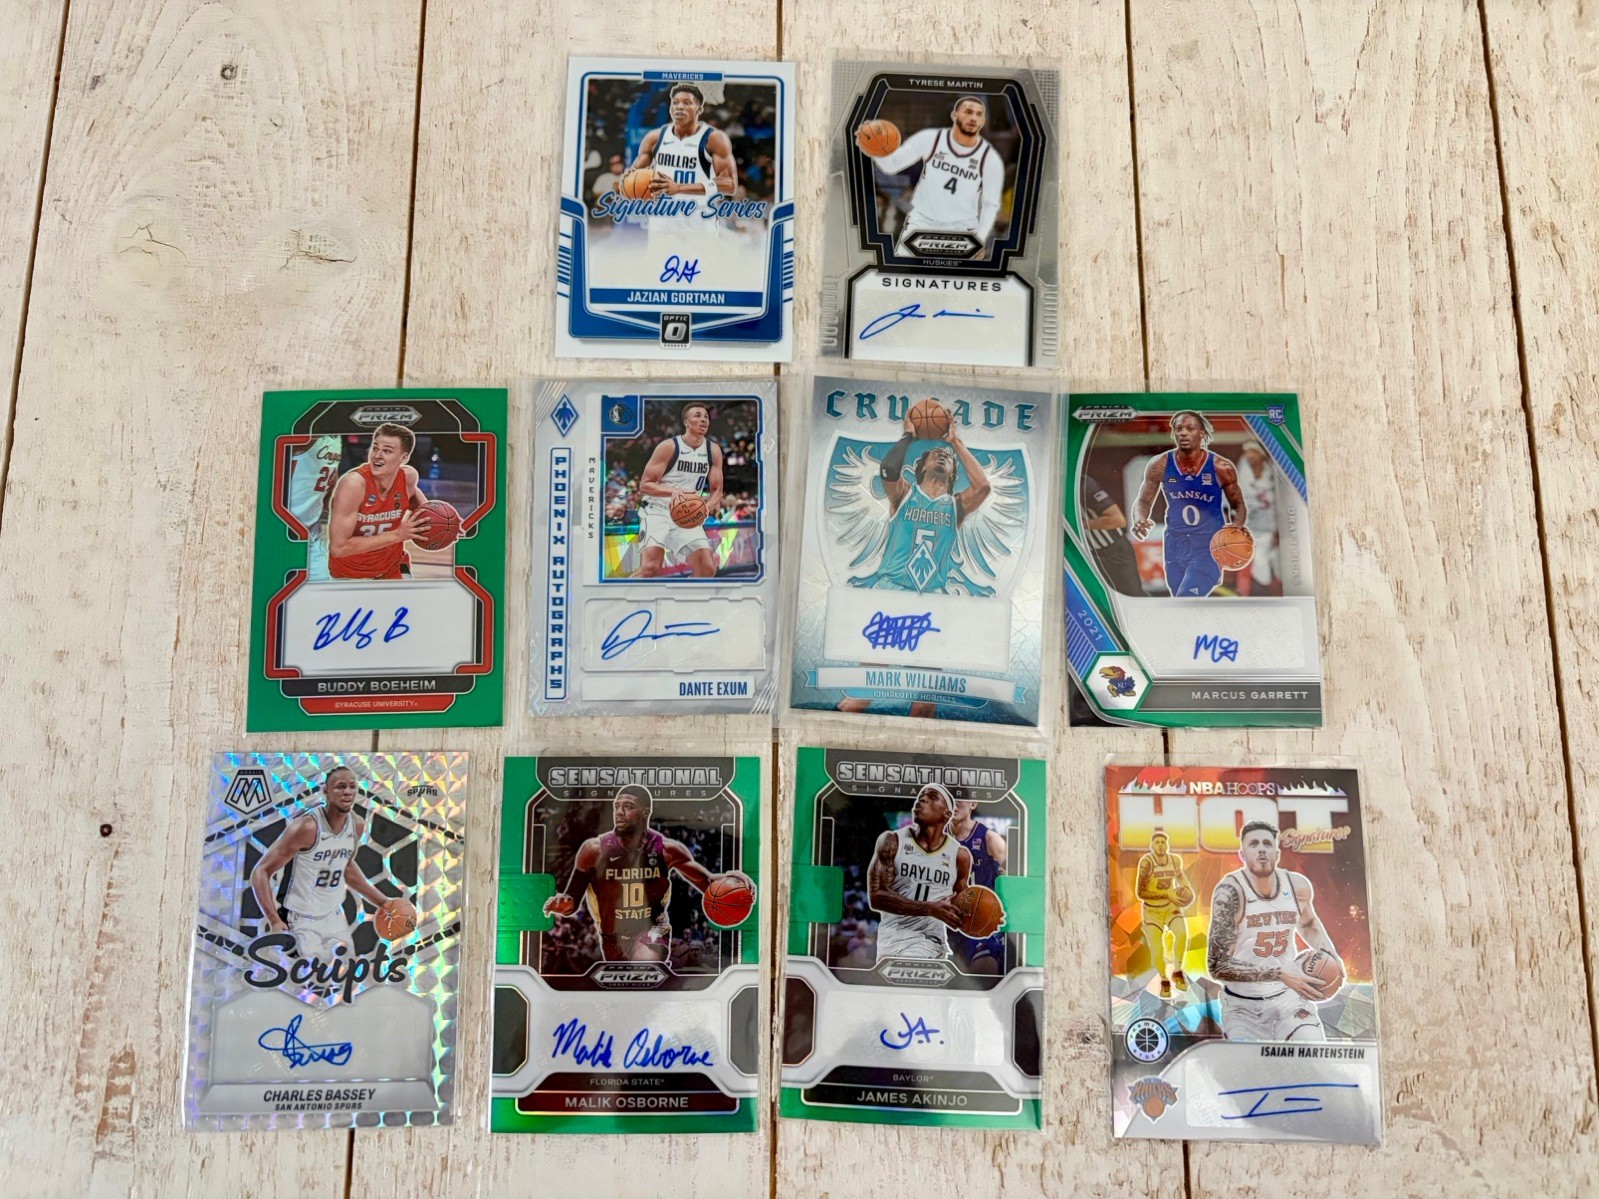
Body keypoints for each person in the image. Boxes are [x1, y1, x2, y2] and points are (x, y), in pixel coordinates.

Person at [542, 785, 748, 962]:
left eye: (628, 807)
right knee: (627, 987)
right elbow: (572, 899)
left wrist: (734, 882)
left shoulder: (667, 850)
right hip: (611, 937)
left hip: (652, 932)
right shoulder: (593, 850)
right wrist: (562, 904)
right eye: (616, 806)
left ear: (645, 812)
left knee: (645, 962)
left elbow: (708, 883)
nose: (619, 812)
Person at [248, 766, 398, 963]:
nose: (347, 792)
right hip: (301, 919)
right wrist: (274, 919)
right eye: (340, 787)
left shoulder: (357, 825)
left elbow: (345, 867)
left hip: (334, 915)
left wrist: (383, 902)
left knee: (345, 973)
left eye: (352, 786)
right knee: (311, 976)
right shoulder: (307, 827)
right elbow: (261, 871)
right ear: (325, 791)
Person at [1206, 821, 1339, 1041]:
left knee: (1313, 1049)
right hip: (1243, 1008)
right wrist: (1280, 973)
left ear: (1277, 853)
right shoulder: (1230, 893)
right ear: (1242, 854)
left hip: (1288, 999)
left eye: (1267, 844)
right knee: (1251, 1062)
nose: (1261, 849)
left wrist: (1329, 952)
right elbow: (1217, 966)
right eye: (1254, 844)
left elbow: (1308, 923)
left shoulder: (1297, 887)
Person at [856, 95, 1005, 256]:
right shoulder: (929, 139)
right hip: (922, 223)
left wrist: (980, 239)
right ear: (955, 115)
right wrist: (870, 146)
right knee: (901, 269)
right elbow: (891, 165)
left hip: (962, 228)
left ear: (983, 121)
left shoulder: (990, 158)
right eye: (968, 112)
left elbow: (991, 204)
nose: (973, 118)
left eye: (979, 114)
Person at [1129, 411, 1247, 597]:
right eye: (1179, 429)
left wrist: (1238, 525)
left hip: (1207, 544)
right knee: (1181, 601)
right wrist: (1139, 518)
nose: (1183, 433)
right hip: (1175, 543)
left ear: (1201, 433)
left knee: (1186, 598)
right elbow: (1143, 500)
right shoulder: (1159, 464)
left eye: (1190, 428)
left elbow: (1238, 504)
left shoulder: (1220, 466)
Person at [868, 784, 973, 960]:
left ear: (947, 814)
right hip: (893, 940)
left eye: (932, 797)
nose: (921, 799)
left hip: (932, 942)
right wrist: (929, 909)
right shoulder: (892, 841)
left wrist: (987, 917)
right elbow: (876, 896)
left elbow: (962, 905)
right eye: (921, 796)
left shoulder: (959, 856)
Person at [327, 423, 432, 580]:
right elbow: (338, 548)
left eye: (387, 451)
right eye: (375, 448)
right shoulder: (353, 484)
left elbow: (426, 510)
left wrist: (447, 522)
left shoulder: (408, 478)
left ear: (404, 458)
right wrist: (397, 535)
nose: (377, 455)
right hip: (350, 573)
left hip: (392, 566)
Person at [636, 401, 724, 578]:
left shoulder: (713, 450)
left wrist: (704, 509)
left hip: (686, 515)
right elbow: (645, 485)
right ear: (686, 422)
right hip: (658, 511)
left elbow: (717, 490)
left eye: (706, 417)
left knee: (707, 568)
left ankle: (685, 596)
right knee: (650, 569)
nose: (703, 420)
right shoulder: (668, 446)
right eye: (697, 416)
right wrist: (672, 491)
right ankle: (621, 594)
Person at [1135, 829, 1194, 1000]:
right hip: (1152, 911)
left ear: (1167, 845)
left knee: (1182, 934)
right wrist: (1167, 894)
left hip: (1170, 907)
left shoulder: (1174, 860)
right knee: (1157, 948)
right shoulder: (1147, 863)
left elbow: (1180, 876)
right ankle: (1164, 980)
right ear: (1152, 845)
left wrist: (1187, 888)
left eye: (1163, 842)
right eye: (1157, 842)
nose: (1160, 845)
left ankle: (1177, 971)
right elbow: (1140, 892)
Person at [949, 799, 1006, 974]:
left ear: (973, 804)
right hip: (948, 920)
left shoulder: (989, 839)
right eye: (949, 799)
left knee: (985, 967)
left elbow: (1015, 878)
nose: (954, 804)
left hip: (980, 919)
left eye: (959, 799)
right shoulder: (936, 840)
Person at [286, 434, 342, 581]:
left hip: (309, 532)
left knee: (322, 590)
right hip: (282, 528)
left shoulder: (336, 437)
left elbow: (330, 486)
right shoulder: (310, 434)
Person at [1081, 472, 1145, 595]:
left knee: (1132, 596)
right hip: (1088, 553)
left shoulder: (1084, 485)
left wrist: (1079, 524)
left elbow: (1118, 520)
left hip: (1113, 551)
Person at [1233, 440, 1278, 596]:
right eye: (1247, 453)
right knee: (1259, 561)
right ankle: (1261, 594)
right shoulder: (1244, 476)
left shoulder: (1272, 473)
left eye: (1253, 452)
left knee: (1275, 560)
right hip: (1254, 529)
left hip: (1278, 526)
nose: (1249, 456)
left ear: (1261, 454)